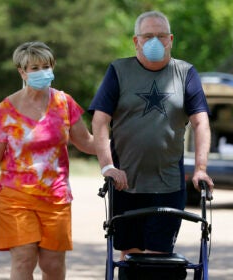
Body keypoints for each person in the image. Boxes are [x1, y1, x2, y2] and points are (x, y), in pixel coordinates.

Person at [89, 10, 214, 277]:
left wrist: (201, 168)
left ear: (171, 39)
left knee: (157, 262)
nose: (154, 41)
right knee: (130, 258)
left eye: (160, 36)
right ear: (136, 41)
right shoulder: (119, 71)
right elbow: (100, 121)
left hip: (167, 183)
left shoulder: (185, 73)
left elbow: (201, 122)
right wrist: (107, 167)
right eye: (148, 36)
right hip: (125, 183)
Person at [0, 41, 95, 280]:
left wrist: (120, 147)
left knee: (53, 266)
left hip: (56, 196)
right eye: (34, 67)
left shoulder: (64, 103)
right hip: (15, 197)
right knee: (23, 260)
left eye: (46, 66)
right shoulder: (4, 111)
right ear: (22, 71)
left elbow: (86, 142)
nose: (42, 72)